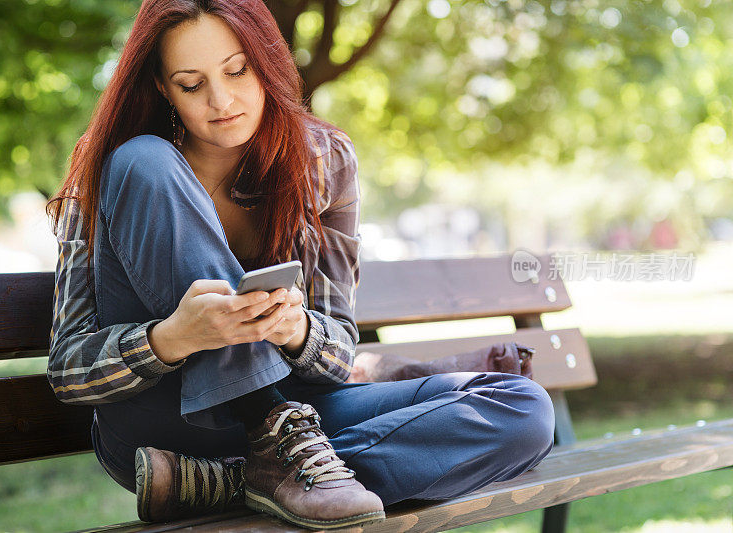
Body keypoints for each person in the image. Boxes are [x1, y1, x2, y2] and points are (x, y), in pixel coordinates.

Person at [45, 0, 556, 529]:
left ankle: (229, 482)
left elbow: (337, 353)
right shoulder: (116, 166)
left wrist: (296, 328)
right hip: (165, 422)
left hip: (298, 425)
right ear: (161, 87)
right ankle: (270, 449)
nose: (222, 100)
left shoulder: (324, 159)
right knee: (144, 157)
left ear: (267, 59)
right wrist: (172, 338)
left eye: (238, 70)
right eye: (191, 84)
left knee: (524, 410)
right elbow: (67, 372)